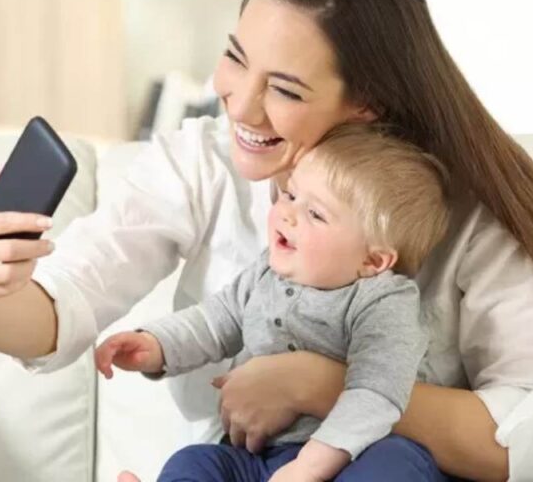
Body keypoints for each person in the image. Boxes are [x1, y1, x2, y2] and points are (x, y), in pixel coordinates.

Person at [0, 0, 533, 481]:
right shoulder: (202, 165)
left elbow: (528, 433)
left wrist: (317, 384)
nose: (238, 104)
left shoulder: (468, 214)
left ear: (369, 105)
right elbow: (60, 314)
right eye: (235, 58)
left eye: (286, 89)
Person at [95, 124, 450, 482]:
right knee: (195, 462)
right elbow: (216, 320)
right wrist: (155, 345)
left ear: (373, 262)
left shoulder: (384, 301)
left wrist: (308, 468)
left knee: (398, 462)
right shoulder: (267, 271)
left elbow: (377, 393)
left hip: (352, 457)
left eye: (316, 214)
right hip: (259, 457)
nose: (288, 214)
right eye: (290, 194)